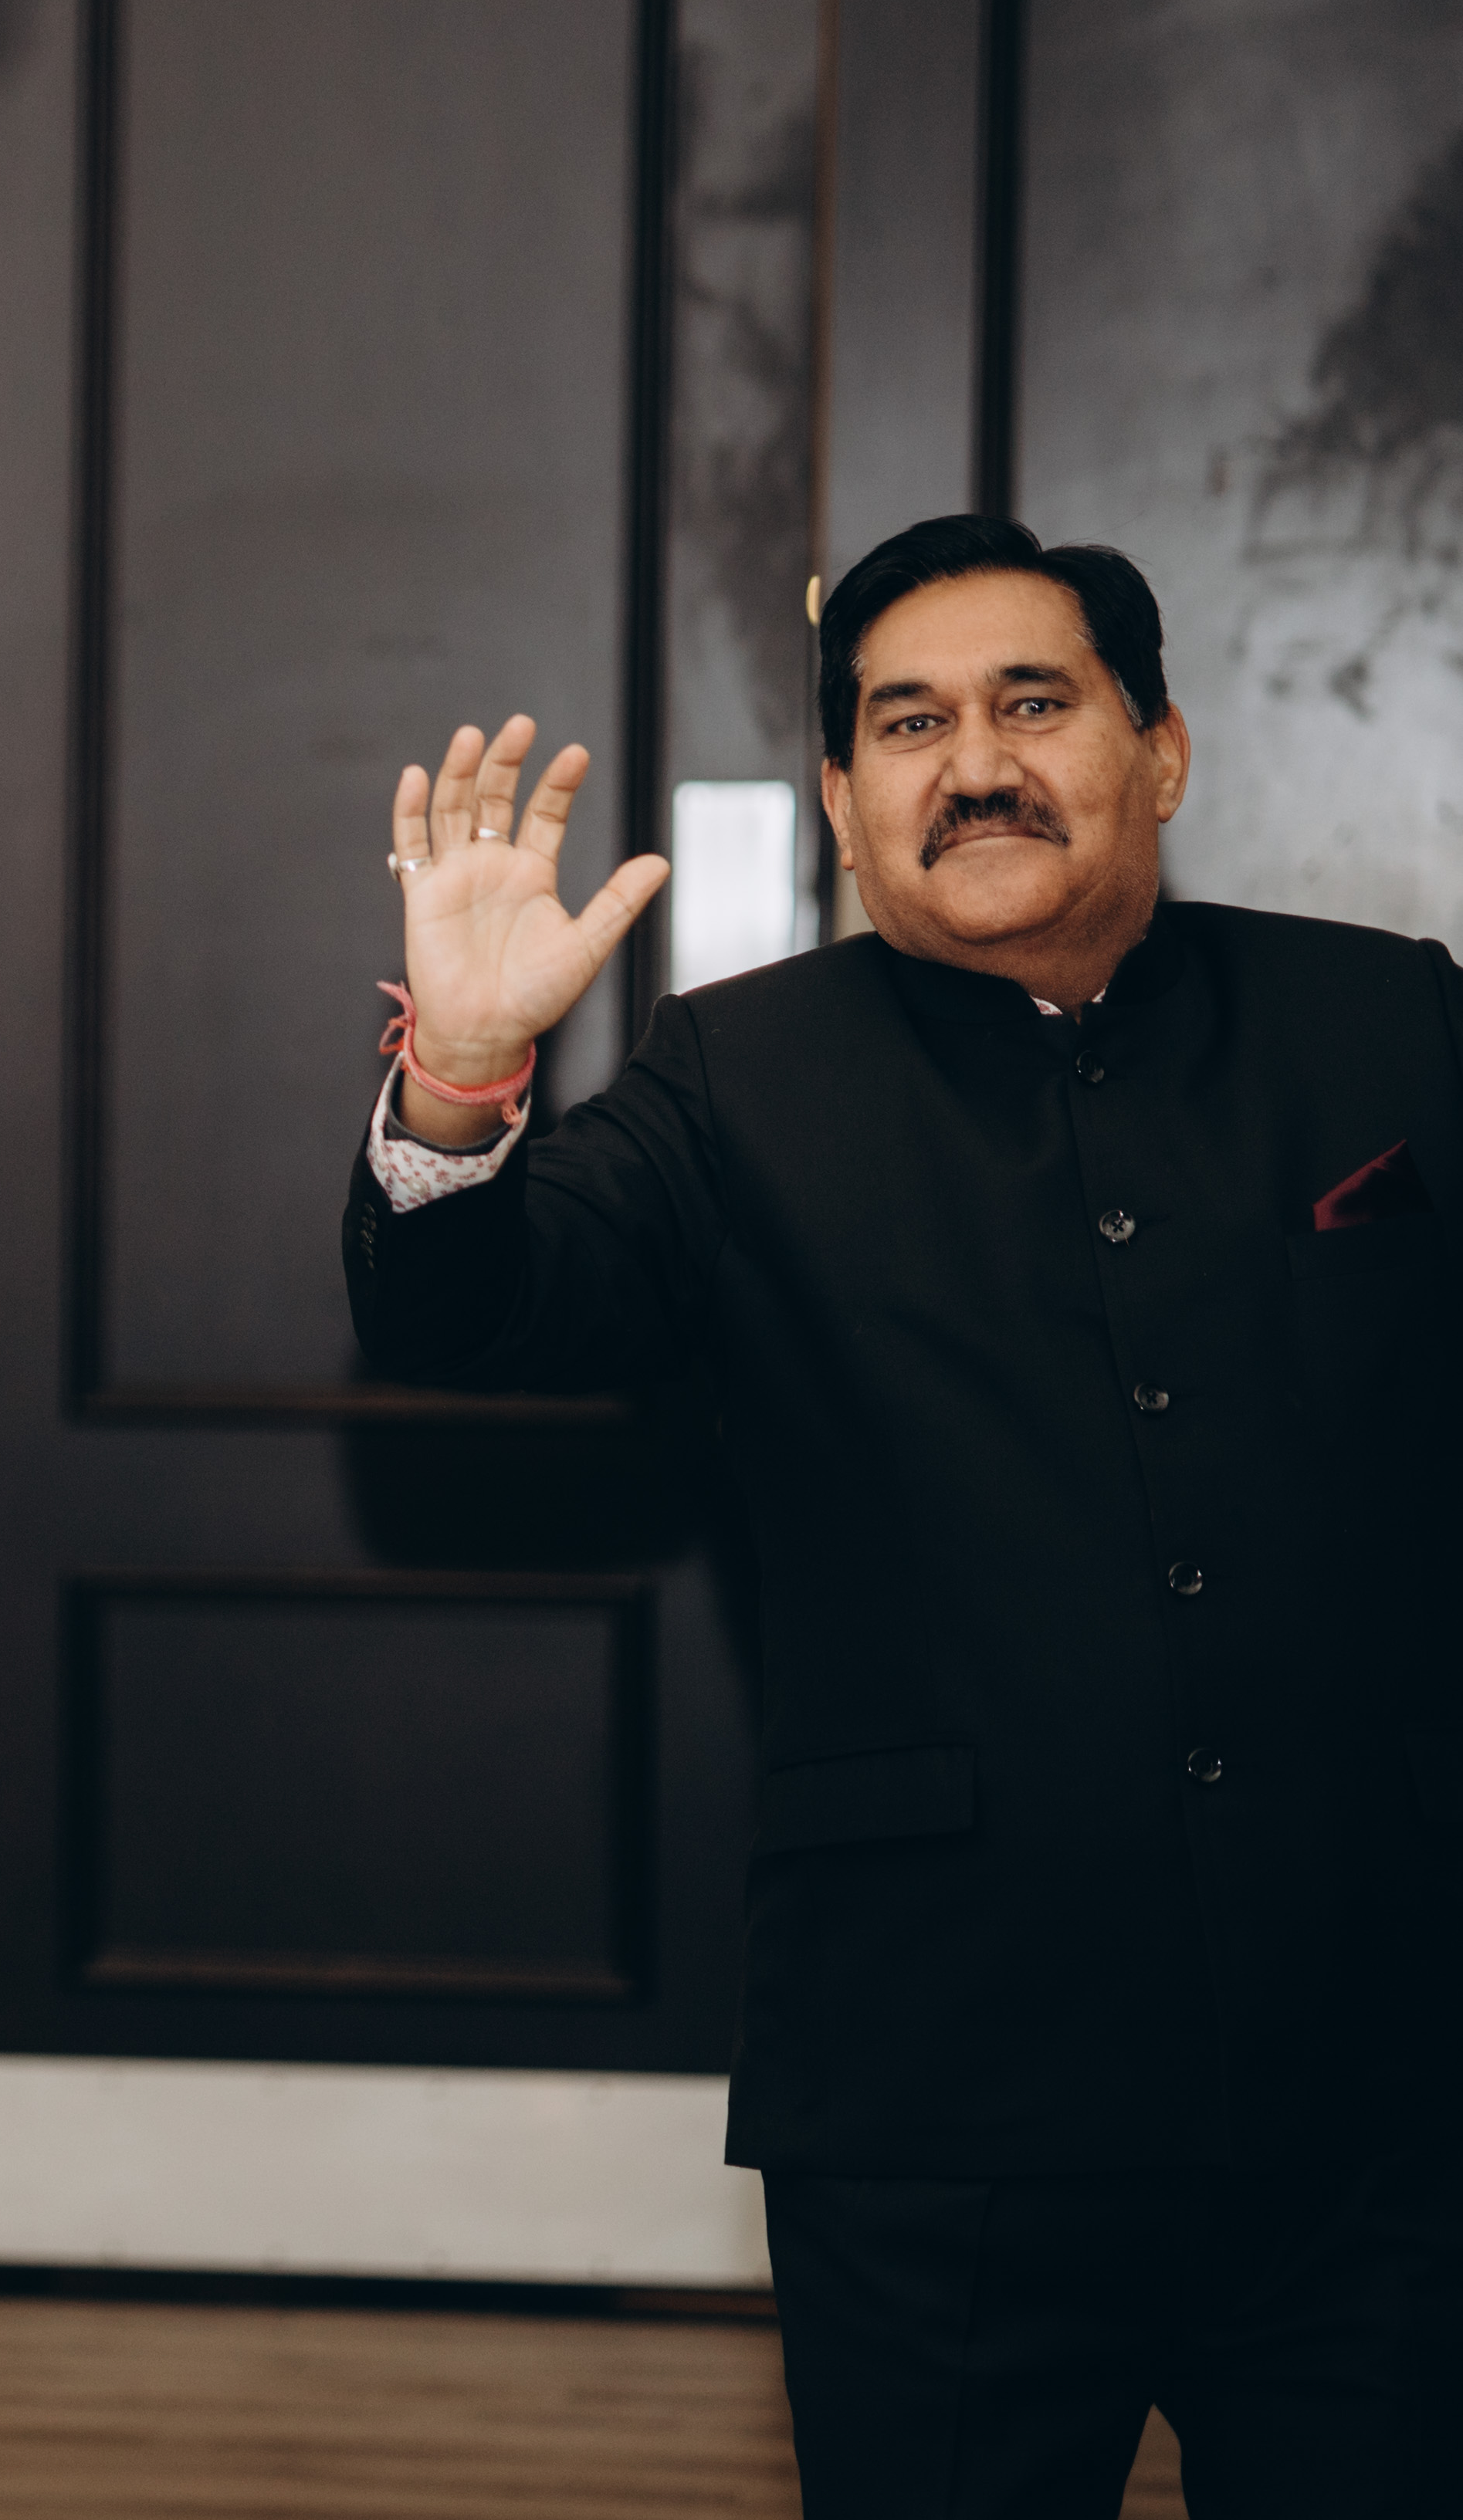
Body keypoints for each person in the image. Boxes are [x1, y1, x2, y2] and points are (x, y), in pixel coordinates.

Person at [344, 516, 1460, 2515]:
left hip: (1368, 2081)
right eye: (907, 722)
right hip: (937, 2090)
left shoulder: (1386, 1022)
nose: (974, 762)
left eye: (1032, 702)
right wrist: (462, 1076)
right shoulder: (732, 1075)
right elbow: (471, 1310)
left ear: (1158, 750)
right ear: (847, 804)